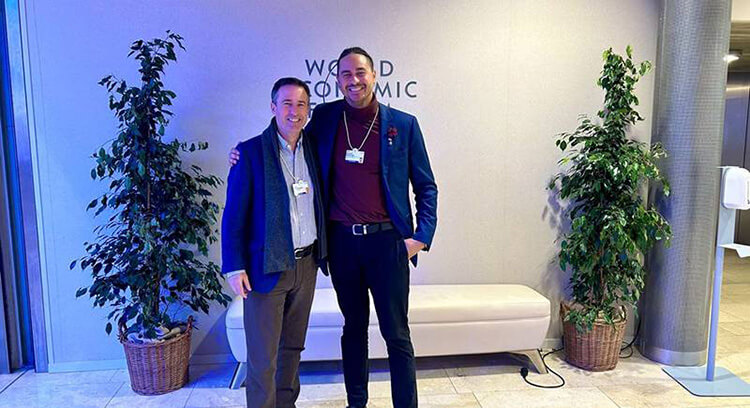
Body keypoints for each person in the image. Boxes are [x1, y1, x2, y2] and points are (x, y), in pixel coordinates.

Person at [229, 47, 437, 408]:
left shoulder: (403, 125)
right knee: (353, 329)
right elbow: (282, 136)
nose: (353, 80)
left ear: (373, 75)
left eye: (360, 72)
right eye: (345, 74)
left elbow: (426, 186)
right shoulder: (324, 118)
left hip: (388, 244)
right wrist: (241, 153)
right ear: (337, 80)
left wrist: (420, 236)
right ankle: (356, 403)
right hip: (342, 245)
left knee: (397, 334)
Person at [221, 77, 327, 408]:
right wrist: (234, 266)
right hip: (267, 266)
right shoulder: (250, 153)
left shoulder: (315, 148)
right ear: (272, 107)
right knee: (263, 357)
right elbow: (233, 215)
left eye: (301, 104)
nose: (294, 112)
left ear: (309, 110)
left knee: (292, 349)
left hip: (306, 265)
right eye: (287, 104)